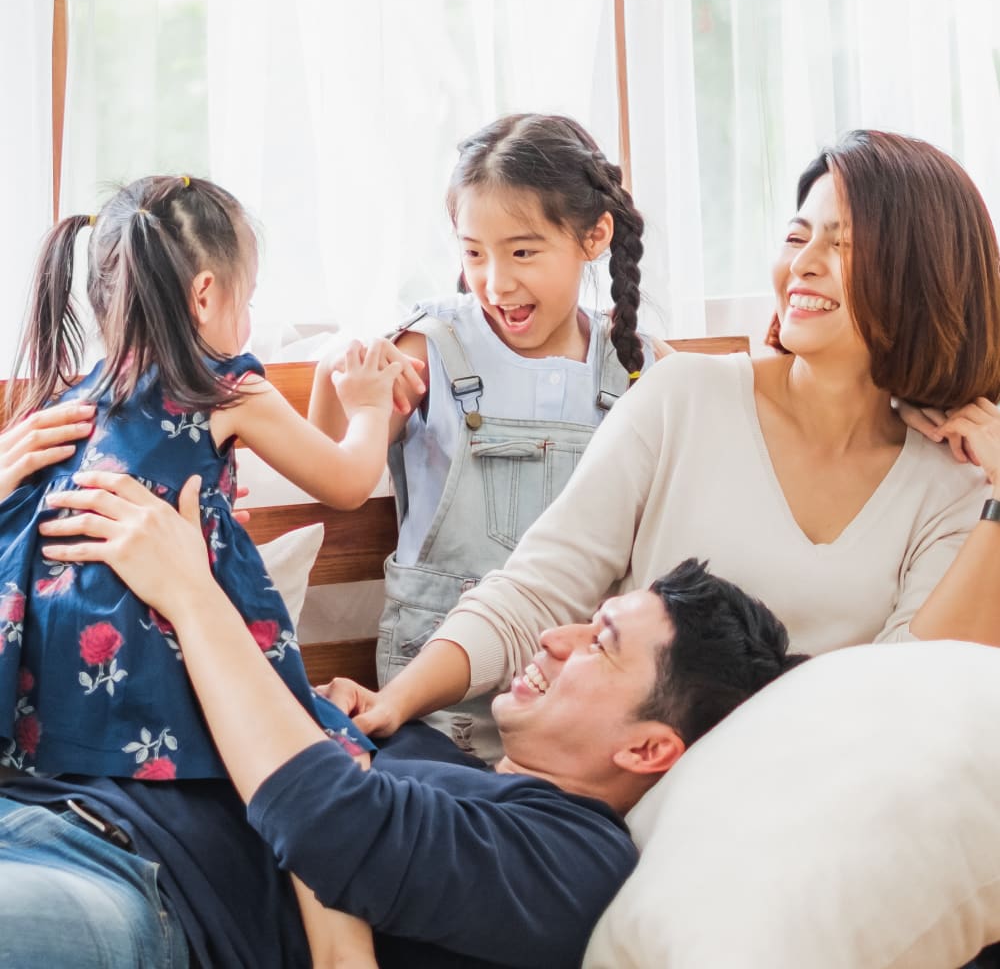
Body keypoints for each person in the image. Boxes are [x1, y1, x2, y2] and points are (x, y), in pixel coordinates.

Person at [325, 128, 1000, 751]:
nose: (805, 265)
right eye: (797, 238)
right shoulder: (684, 395)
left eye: (844, 244)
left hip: (798, 809)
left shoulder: (953, 484)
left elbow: (917, 694)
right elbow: (535, 589)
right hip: (621, 791)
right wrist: (394, 702)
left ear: (924, 274)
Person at [0, 455, 807, 968]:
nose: (556, 639)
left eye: (599, 642)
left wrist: (189, 591)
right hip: (43, 800)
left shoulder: (572, 864)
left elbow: (325, 822)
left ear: (649, 749)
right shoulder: (424, 745)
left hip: (136, 891)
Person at [0, 175, 421, 968]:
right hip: (168, 664)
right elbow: (344, 482)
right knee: (316, 759)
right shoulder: (224, 385)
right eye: (248, 297)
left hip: (55, 705)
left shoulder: (68, 404)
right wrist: (368, 402)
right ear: (204, 296)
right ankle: (341, 955)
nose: (249, 319)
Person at [309, 113, 670, 758]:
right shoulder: (431, 346)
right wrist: (334, 377)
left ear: (595, 237)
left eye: (522, 251)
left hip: (577, 701)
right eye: (474, 253)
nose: (496, 282)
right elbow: (340, 473)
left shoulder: (641, 368)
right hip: (435, 704)